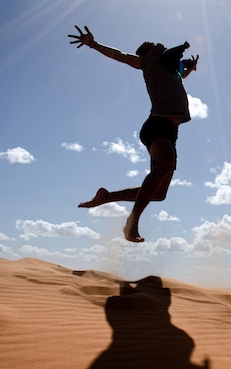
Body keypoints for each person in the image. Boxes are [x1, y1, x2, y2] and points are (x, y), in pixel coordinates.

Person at [68, 26, 199, 243]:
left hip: (171, 132)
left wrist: (189, 70)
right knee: (165, 166)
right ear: (148, 52)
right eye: (153, 43)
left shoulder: (170, 69)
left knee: (158, 193)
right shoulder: (148, 63)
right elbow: (119, 56)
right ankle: (132, 223)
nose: (158, 43)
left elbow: (177, 78)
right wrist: (94, 44)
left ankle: (106, 197)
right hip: (156, 126)